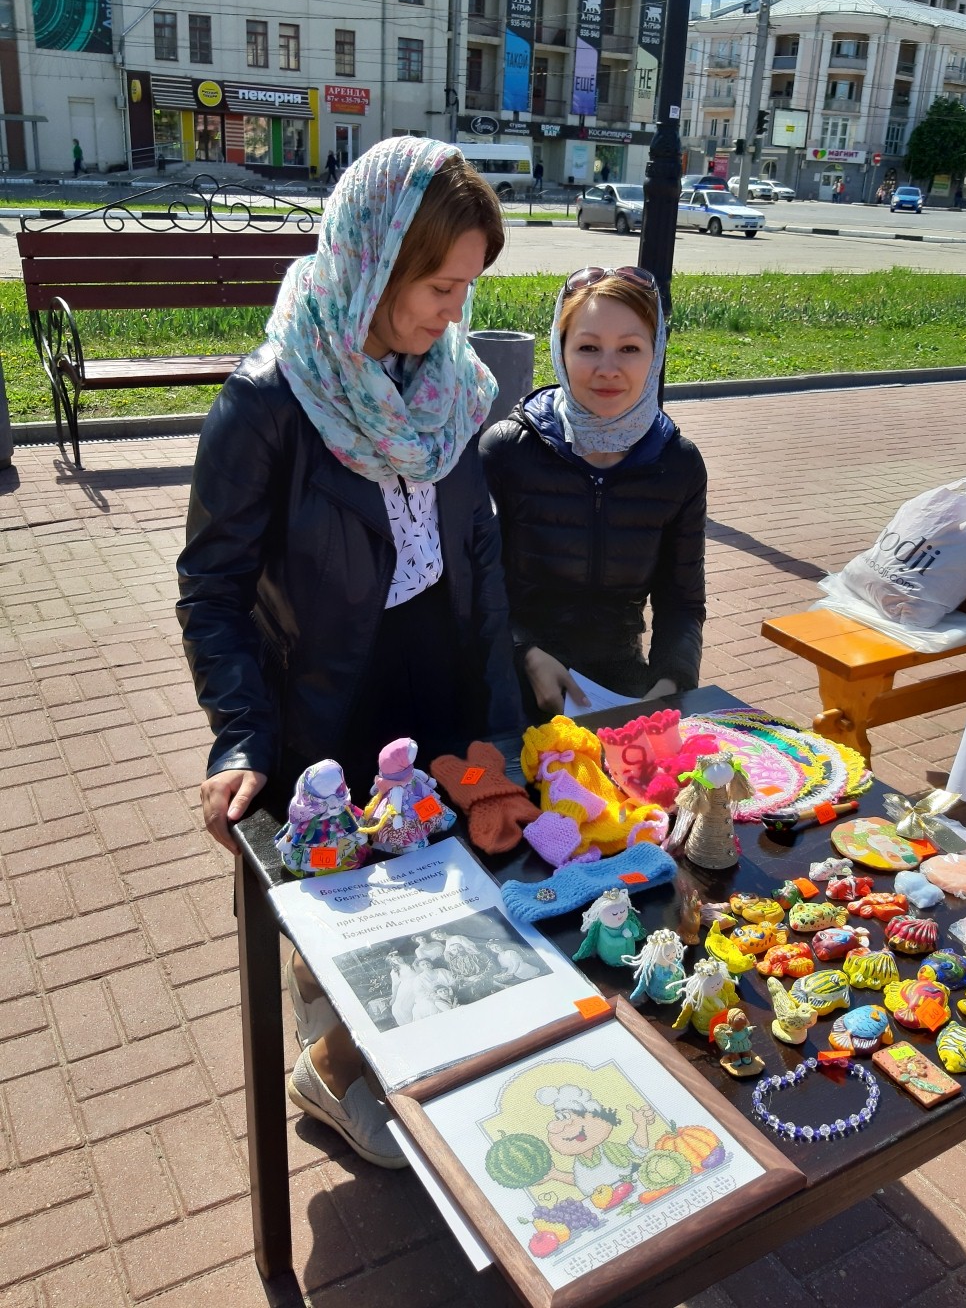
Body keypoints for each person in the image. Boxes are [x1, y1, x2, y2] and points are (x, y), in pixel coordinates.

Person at [177, 136, 522, 1167]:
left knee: (452, 906)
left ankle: (406, 1047)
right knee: (347, 916)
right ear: (372, 259)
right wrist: (240, 738)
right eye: (438, 284)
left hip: (440, 687)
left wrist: (500, 726)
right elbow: (213, 589)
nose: (455, 312)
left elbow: (483, 567)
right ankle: (327, 1066)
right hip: (326, 706)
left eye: (468, 285)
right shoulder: (270, 403)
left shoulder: (451, 387)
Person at [481, 265, 707, 717]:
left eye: (629, 348)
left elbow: (681, 602)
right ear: (560, 350)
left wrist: (670, 682)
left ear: (656, 352)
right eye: (588, 347)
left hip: (620, 685)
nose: (608, 369)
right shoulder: (506, 450)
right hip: (509, 684)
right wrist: (524, 651)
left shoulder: (678, 464)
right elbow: (476, 586)